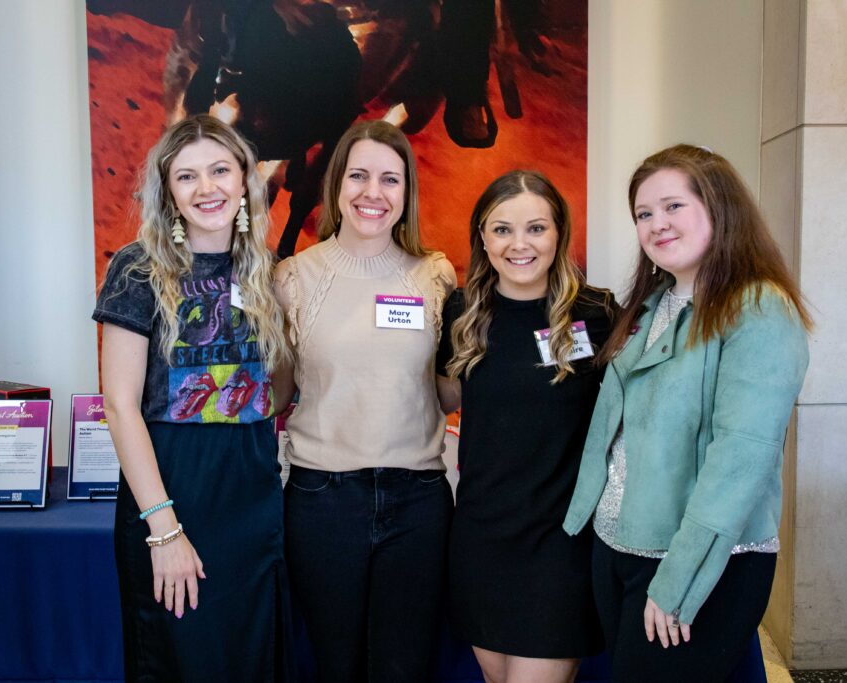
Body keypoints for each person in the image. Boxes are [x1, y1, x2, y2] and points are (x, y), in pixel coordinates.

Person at [563, 144, 811, 682]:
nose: (657, 224)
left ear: (720, 209)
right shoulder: (654, 303)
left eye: (673, 206)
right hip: (619, 549)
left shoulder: (758, 307)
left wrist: (679, 581)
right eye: (644, 214)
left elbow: (739, 462)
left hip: (698, 564)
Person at [93, 114, 293, 681]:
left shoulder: (267, 273)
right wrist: (164, 528)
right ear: (169, 192)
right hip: (172, 503)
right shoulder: (137, 269)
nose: (207, 188)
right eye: (187, 177)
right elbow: (119, 405)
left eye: (220, 170)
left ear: (245, 180)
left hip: (252, 513)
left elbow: (275, 395)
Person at [273, 120, 457, 682]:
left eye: (389, 179)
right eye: (358, 176)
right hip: (322, 498)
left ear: (407, 194)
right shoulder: (293, 277)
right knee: (336, 667)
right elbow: (280, 393)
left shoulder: (437, 274)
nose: (372, 193)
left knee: (406, 669)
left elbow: (446, 389)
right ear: (336, 185)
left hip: (419, 500)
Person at [436, 170, 613, 683]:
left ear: (559, 233)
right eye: (502, 230)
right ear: (483, 238)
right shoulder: (462, 313)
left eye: (536, 228)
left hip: (562, 543)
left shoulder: (597, 314)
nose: (519, 245)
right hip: (481, 537)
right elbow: (444, 396)